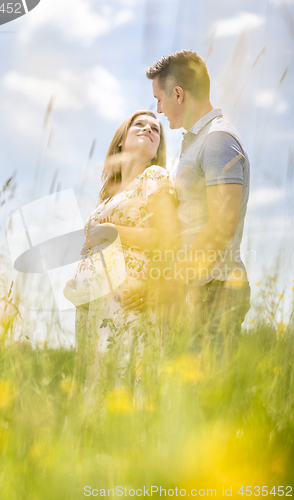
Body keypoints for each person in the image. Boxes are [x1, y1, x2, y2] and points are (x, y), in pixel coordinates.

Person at [123, 50, 251, 349]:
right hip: (197, 289)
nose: (159, 108)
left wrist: (170, 283)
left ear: (178, 93)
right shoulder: (195, 144)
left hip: (215, 291)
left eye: (159, 98)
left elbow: (222, 225)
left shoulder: (218, 139)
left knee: (207, 393)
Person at [64, 110, 178, 384]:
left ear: (157, 150)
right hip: (95, 312)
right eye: (139, 124)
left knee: (124, 384)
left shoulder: (154, 176)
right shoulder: (106, 197)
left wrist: (113, 231)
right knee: (96, 387)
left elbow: (168, 237)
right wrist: (77, 285)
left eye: (156, 129)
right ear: (120, 142)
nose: (148, 129)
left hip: (130, 304)